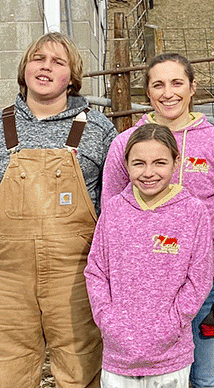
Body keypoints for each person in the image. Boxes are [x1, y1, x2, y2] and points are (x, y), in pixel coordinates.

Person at [102, 53, 214, 388]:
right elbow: (110, 217)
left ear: (192, 87)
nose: (168, 93)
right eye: (158, 85)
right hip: (147, 289)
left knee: (209, 378)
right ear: (148, 92)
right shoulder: (125, 145)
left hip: (211, 283)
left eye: (177, 83)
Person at [0, 31, 117, 387]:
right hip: (8, 277)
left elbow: (117, 205)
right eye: (38, 58)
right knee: (9, 368)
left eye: (58, 62)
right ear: (24, 69)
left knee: (80, 367)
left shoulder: (97, 128)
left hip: (76, 276)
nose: (46, 67)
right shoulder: (1, 126)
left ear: (72, 77)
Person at [86, 123, 212, 388]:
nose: (149, 172)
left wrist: (171, 325)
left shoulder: (193, 213)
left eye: (159, 163)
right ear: (126, 165)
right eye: (139, 163)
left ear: (176, 163)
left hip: (169, 355)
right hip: (119, 354)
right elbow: (96, 270)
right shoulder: (114, 211)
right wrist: (109, 322)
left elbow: (198, 279)